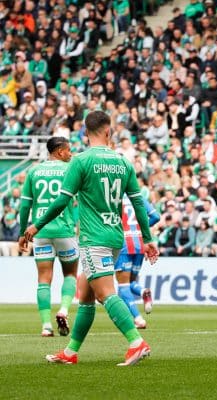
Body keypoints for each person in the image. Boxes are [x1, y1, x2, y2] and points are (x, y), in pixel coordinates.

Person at [24, 111, 159, 366]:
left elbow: (62, 201)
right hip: (115, 238)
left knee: (106, 294)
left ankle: (136, 342)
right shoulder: (123, 162)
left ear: (85, 133)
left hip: (93, 238)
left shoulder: (81, 161)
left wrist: (36, 225)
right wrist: (148, 238)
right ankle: (71, 352)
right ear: (108, 132)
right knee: (85, 294)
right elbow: (139, 204)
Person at [17, 137, 79, 337]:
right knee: (70, 274)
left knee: (43, 279)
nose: (71, 154)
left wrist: (23, 233)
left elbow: (25, 204)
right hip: (64, 230)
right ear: (60, 151)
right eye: (68, 150)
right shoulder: (70, 170)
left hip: (40, 232)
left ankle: (46, 326)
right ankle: (63, 309)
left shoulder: (34, 171)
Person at [114, 194, 160, 329]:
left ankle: (138, 319)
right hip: (140, 244)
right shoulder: (138, 197)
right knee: (130, 282)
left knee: (123, 286)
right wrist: (140, 230)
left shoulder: (113, 198)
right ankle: (142, 291)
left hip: (122, 244)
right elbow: (156, 217)